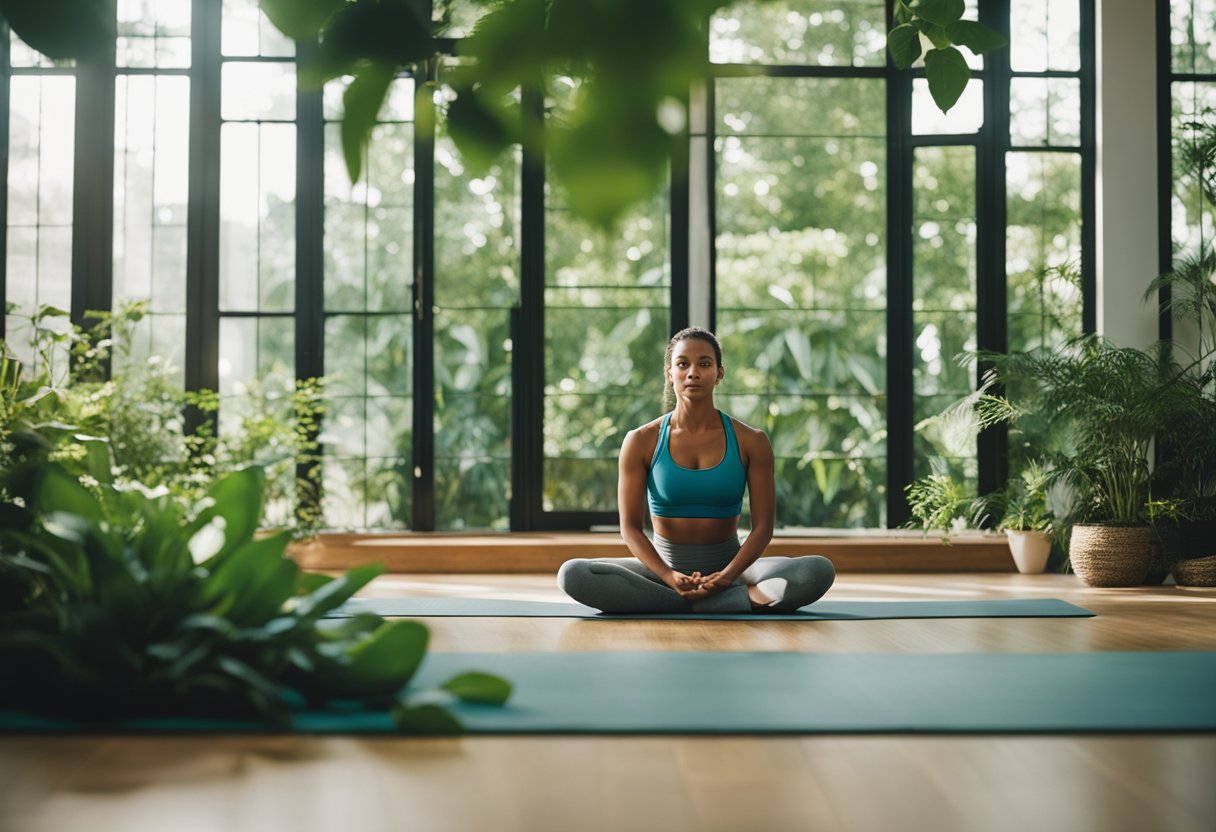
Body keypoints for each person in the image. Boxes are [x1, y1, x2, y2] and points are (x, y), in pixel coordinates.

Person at [557, 327, 836, 613]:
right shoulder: (641, 440)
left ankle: (687, 602)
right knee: (574, 574)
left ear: (719, 373)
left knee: (816, 570)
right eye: (682, 364)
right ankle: (699, 602)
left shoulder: (752, 441)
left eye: (704, 364)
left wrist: (726, 577)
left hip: (732, 570)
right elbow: (629, 529)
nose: (693, 372)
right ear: (669, 374)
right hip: (661, 572)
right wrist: (669, 576)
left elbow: (763, 529)